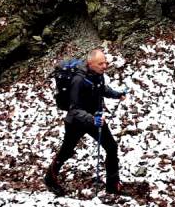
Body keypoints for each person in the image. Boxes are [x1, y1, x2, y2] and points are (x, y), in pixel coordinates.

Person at [45, 48, 127, 196]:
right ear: (90, 63)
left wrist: (117, 94)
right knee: (67, 151)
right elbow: (74, 109)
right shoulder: (78, 80)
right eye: (100, 63)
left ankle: (112, 185)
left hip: (95, 120)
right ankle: (50, 178)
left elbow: (101, 89)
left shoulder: (98, 75)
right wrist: (92, 119)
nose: (104, 66)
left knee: (111, 147)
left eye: (105, 63)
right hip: (76, 123)